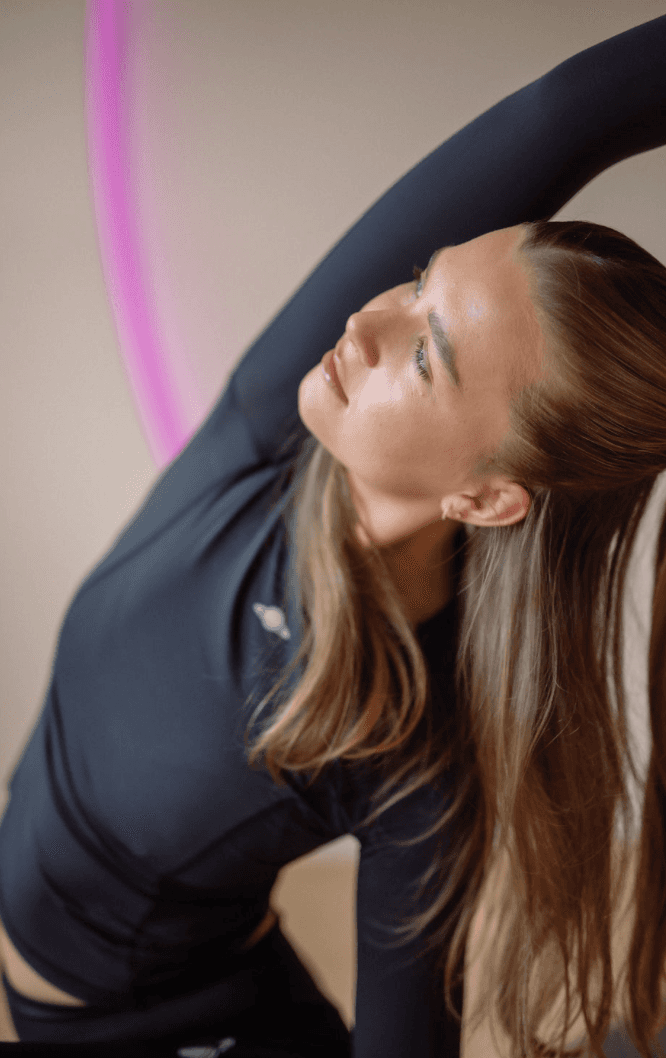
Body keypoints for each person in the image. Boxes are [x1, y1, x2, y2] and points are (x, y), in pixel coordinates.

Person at [1, 13, 666, 1058]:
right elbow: (571, 112)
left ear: (488, 498)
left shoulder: (417, 753)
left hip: (161, 1032)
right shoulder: (271, 436)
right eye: (416, 281)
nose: (364, 322)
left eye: (429, 352)